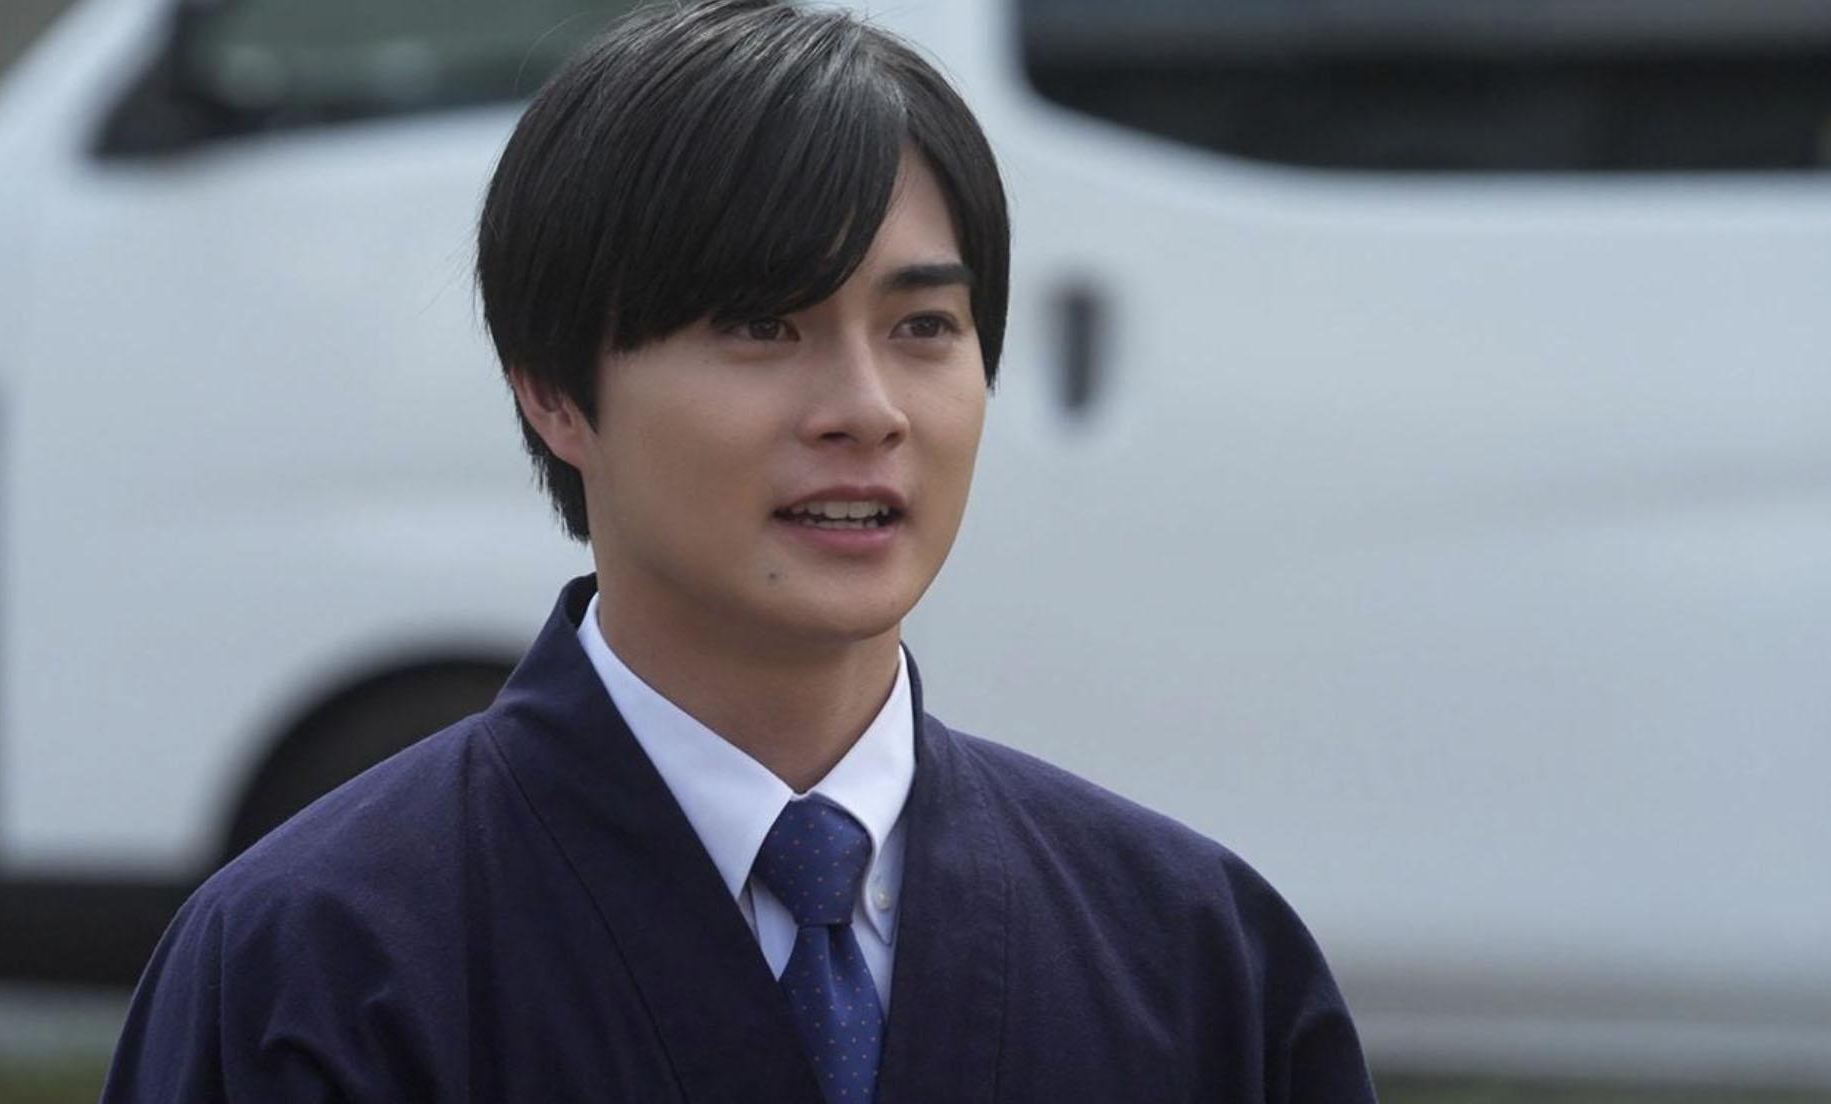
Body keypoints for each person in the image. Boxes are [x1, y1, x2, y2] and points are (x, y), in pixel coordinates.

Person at [101, 1, 1378, 1100]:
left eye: (925, 327)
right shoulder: (314, 969)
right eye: (763, 325)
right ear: (553, 391)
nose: (867, 410)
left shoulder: (1195, 957)